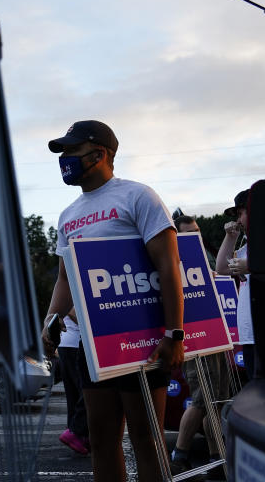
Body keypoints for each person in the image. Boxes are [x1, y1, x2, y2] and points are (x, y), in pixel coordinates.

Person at [41, 120, 184, 482]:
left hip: (142, 342)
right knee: (101, 438)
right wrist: (49, 321)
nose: (66, 159)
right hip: (95, 345)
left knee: (145, 439)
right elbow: (64, 277)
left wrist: (174, 333)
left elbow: (169, 265)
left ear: (99, 153)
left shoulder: (138, 196)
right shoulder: (68, 214)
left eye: (71, 151)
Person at [170, 215, 230, 480]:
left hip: (214, 336)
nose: (195, 236)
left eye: (197, 231)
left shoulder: (201, 257)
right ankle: (179, 457)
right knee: (201, 399)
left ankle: (217, 458)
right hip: (193, 339)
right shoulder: (173, 261)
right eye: (188, 233)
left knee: (215, 400)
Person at [215, 190, 256, 377]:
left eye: (241, 213)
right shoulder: (248, 244)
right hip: (249, 335)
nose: (238, 221)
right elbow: (222, 268)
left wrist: (251, 265)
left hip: (264, 334)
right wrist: (230, 237)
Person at [56, 312, 90, 455]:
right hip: (75, 344)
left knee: (74, 393)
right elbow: (72, 311)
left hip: (65, 343)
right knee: (87, 391)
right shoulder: (71, 289)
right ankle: (75, 432)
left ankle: (77, 434)